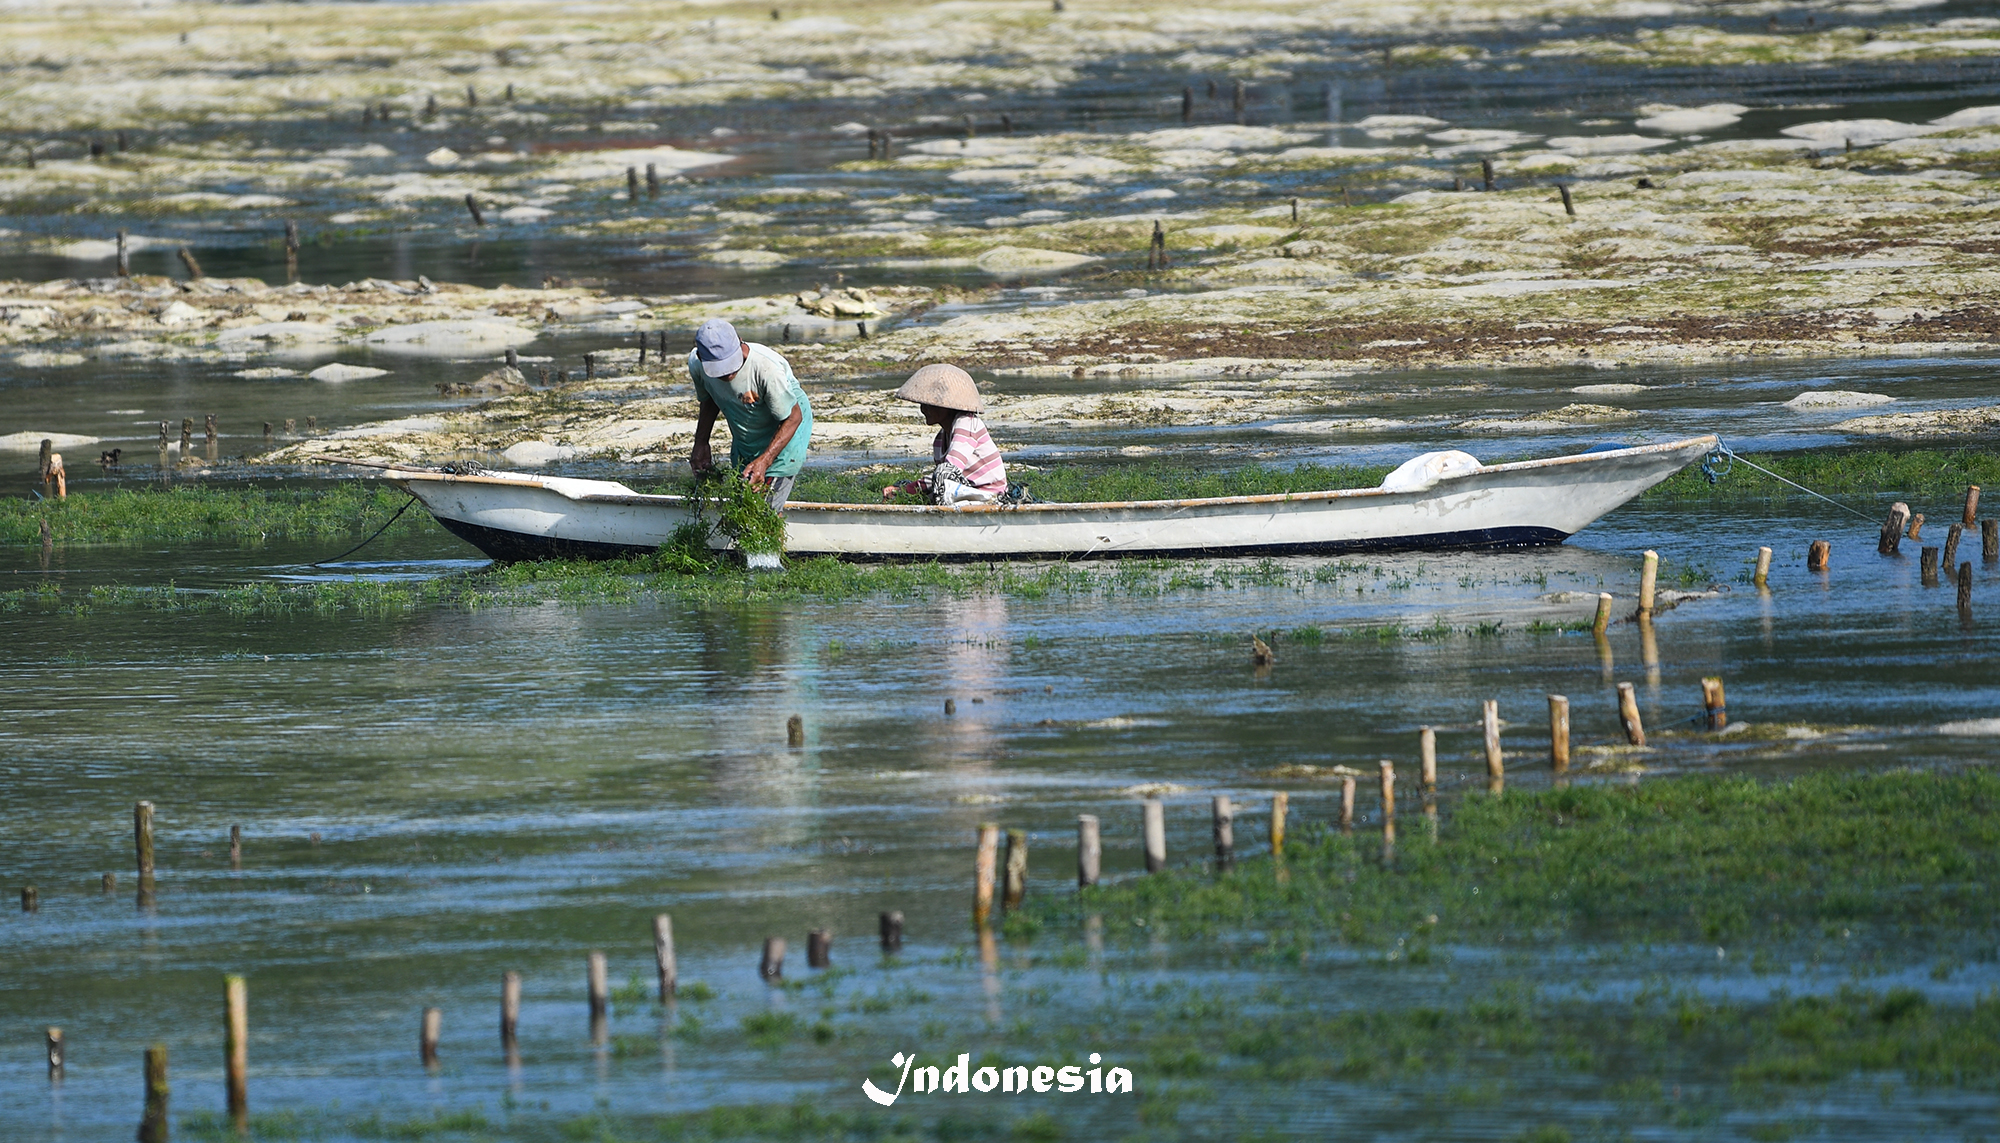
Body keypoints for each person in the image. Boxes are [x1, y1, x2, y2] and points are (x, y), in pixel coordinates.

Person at [686, 317, 814, 509]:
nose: (726, 374)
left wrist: (766, 459)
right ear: (703, 360)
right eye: (718, 369)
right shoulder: (697, 365)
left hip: (787, 425)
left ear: (740, 342)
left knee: (762, 509)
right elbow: (709, 398)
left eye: (729, 364)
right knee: (743, 500)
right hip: (746, 432)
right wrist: (701, 442)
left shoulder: (766, 369)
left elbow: (793, 417)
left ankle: (771, 533)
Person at [881, 364, 1007, 506]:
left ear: (946, 405)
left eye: (930, 404)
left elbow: (949, 471)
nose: (923, 409)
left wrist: (909, 489)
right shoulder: (939, 440)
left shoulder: (967, 423)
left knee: (942, 474)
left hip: (990, 495)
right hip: (966, 492)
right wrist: (904, 490)